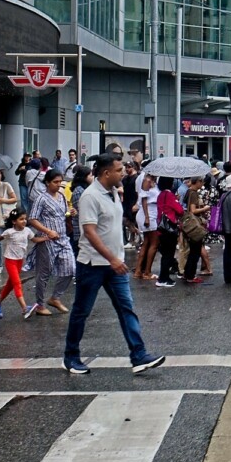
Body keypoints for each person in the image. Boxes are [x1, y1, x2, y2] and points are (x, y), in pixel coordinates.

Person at [63, 153, 165, 376]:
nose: (123, 173)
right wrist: (112, 259)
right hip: (92, 264)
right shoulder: (90, 197)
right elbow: (89, 232)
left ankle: (138, 355)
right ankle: (71, 357)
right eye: (119, 170)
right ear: (106, 173)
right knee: (82, 311)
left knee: (126, 308)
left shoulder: (113, 194)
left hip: (114, 264)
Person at [26, 168, 74, 317]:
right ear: (47, 183)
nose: (58, 185)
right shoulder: (41, 198)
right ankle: (40, 304)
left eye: (60, 182)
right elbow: (32, 219)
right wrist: (47, 231)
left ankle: (55, 297)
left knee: (70, 269)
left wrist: (70, 213)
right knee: (44, 274)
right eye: (55, 182)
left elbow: (63, 214)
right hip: (47, 240)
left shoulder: (60, 196)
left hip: (63, 238)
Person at [0, 208, 35, 319]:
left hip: (19, 261)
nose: (24, 221)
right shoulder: (9, 232)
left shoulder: (27, 231)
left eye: (25, 219)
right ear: (14, 221)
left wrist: (47, 237)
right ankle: (24, 308)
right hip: (10, 261)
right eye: (21, 219)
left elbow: (35, 240)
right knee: (17, 283)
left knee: (10, 284)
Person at [154, 176, 184, 287]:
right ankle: (164, 278)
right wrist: (176, 200)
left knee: (165, 254)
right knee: (169, 254)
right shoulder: (169, 195)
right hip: (169, 228)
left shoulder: (160, 195)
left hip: (161, 227)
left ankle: (163, 277)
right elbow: (180, 211)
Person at [181, 175, 209, 283]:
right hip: (195, 224)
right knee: (195, 251)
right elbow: (193, 210)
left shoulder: (188, 192)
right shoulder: (193, 193)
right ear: (197, 181)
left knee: (192, 250)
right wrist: (204, 208)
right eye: (201, 182)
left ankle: (187, 273)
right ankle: (190, 275)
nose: (202, 185)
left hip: (189, 223)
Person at [134, 171, 159, 280]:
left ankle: (139, 270)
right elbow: (144, 200)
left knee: (147, 242)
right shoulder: (147, 180)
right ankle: (147, 272)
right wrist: (147, 217)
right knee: (154, 243)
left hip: (151, 211)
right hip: (148, 213)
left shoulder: (153, 182)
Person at [68, 166, 92, 256]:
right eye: (90, 175)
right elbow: (80, 210)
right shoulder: (79, 191)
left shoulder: (85, 189)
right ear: (84, 177)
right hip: (79, 229)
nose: (92, 177)